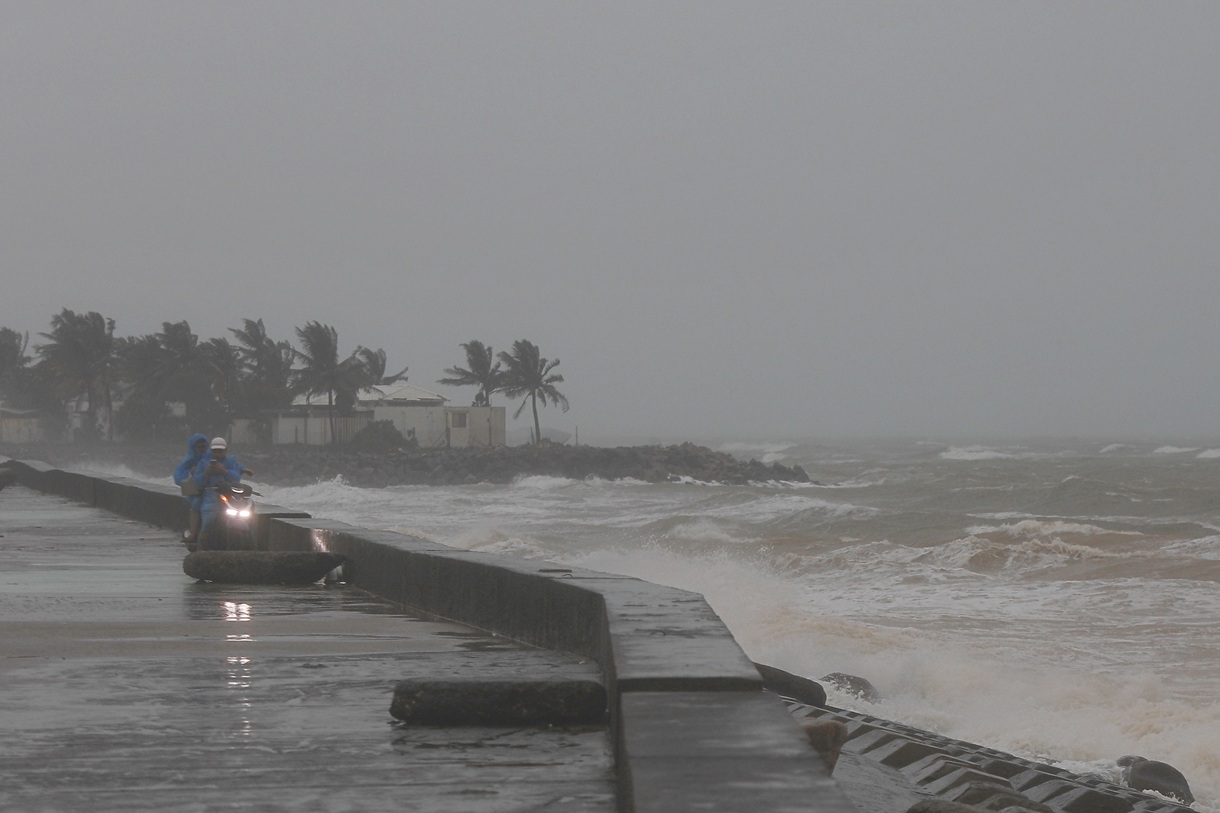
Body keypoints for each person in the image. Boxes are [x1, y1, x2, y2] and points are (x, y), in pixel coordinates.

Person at [192, 437, 245, 550]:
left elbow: (236, 478)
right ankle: (201, 548)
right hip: (210, 495)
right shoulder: (204, 463)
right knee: (207, 522)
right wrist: (206, 473)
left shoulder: (231, 462)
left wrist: (224, 471)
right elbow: (198, 482)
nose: (218, 453)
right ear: (211, 451)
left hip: (229, 495)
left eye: (220, 450)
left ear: (225, 450)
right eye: (215, 450)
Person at [174, 433, 210, 546]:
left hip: (211, 490)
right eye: (199, 447)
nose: (202, 449)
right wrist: (190, 473)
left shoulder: (211, 458)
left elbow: (228, 467)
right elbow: (178, 477)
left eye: (204, 447)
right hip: (196, 492)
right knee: (196, 504)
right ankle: (193, 534)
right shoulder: (188, 461)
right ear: (193, 447)